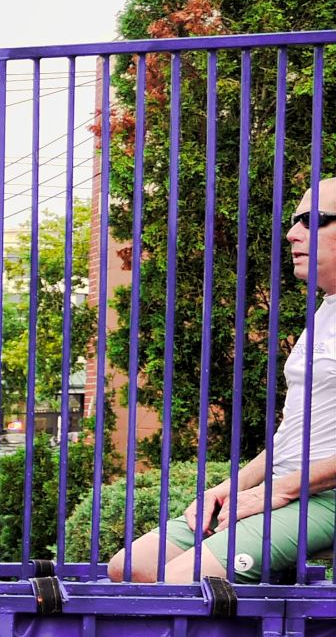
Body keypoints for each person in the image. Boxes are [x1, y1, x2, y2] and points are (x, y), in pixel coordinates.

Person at [111, 178, 336, 585]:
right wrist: (230, 487)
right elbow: (293, 435)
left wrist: (280, 491)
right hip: (285, 488)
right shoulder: (322, 314)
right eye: (295, 220)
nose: (292, 233)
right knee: (132, 567)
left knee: (184, 582)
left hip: (324, 496)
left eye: (313, 220)